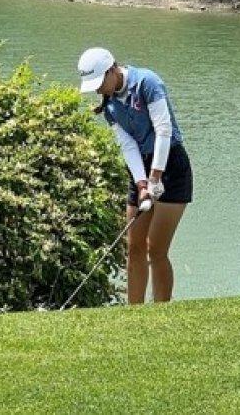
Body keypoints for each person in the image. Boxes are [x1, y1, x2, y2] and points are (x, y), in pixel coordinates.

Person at [78, 47, 193, 304]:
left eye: (99, 83)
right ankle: (134, 314)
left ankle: (161, 310)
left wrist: (155, 179)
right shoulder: (109, 106)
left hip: (170, 165)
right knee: (134, 247)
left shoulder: (147, 82)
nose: (98, 90)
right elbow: (128, 146)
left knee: (156, 249)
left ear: (113, 70)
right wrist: (142, 183)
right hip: (140, 167)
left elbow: (163, 131)